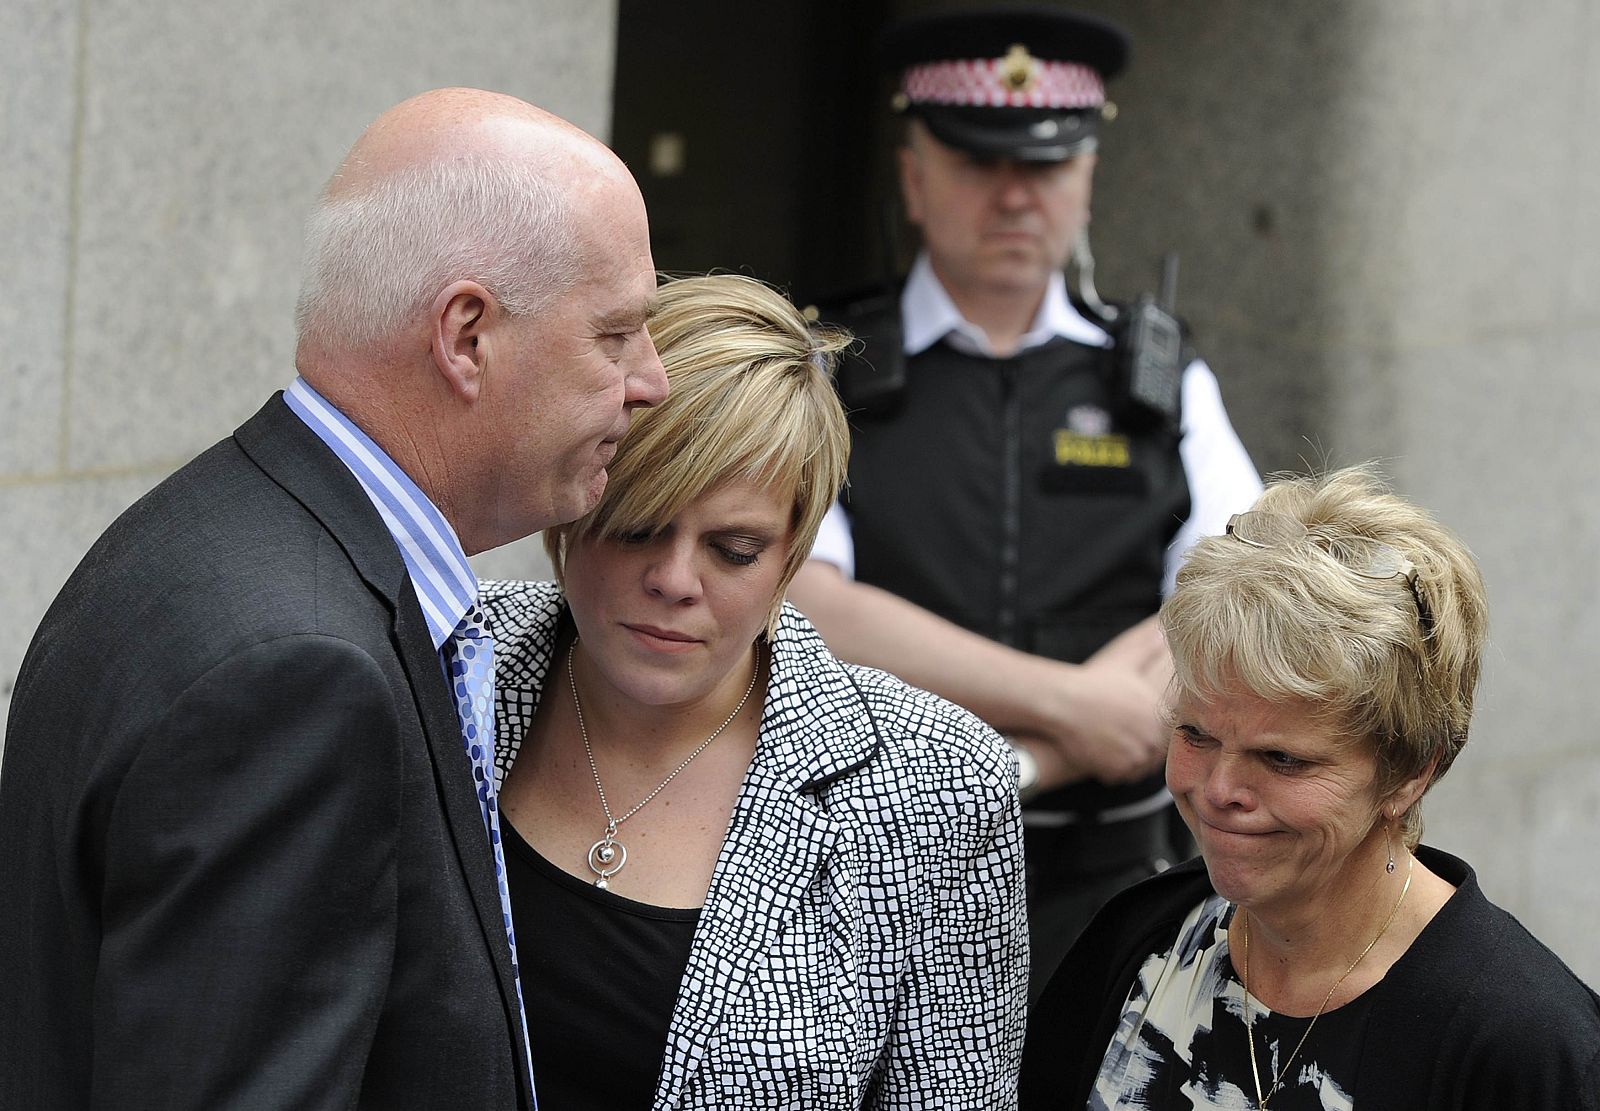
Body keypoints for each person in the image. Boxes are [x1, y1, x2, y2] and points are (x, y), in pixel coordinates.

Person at [0, 88, 668, 1110]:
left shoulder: (211, 534)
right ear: (467, 336)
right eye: (615, 335)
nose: (651, 382)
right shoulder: (298, 667)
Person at [788, 5, 1263, 996]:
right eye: (976, 164)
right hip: (878, 869)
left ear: (1085, 178)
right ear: (914, 177)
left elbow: (1244, 593)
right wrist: (1073, 709)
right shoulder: (822, 370)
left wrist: (1033, 764)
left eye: (1044, 168)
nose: (1014, 197)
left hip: (1115, 887)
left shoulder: (1163, 379)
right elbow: (808, 602)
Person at [480, 273, 1028, 1110]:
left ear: (790, 556)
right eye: (636, 527)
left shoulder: (937, 785)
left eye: (734, 548)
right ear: (570, 506)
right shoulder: (453, 664)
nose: (673, 579)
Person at [1020, 465, 1600, 1109]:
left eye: (1282, 759)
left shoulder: (1527, 1049)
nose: (1220, 789)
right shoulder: (1138, 942)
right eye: (1195, 735)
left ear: (1411, 773)